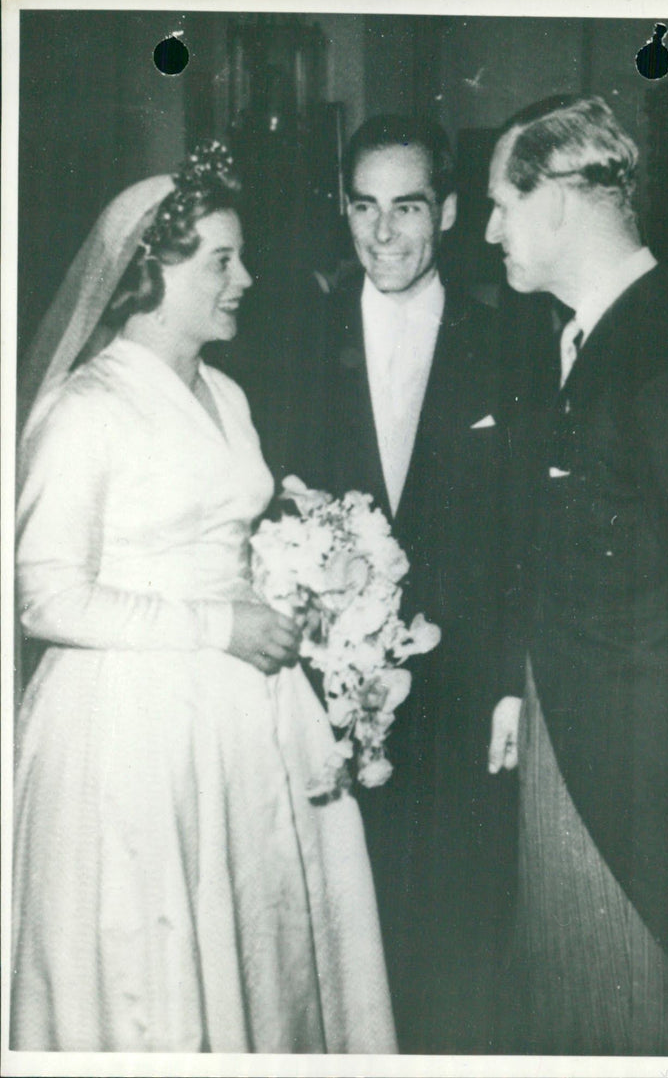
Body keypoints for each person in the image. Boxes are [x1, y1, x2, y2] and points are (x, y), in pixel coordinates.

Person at [11, 141, 396, 1054]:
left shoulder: (225, 391)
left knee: (263, 947)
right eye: (223, 260)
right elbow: (44, 597)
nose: (246, 279)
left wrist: (308, 597)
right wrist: (220, 624)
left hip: (241, 712)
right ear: (153, 271)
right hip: (130, 727)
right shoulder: (85, 409)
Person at [484, 96, 668, 1056]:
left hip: (644, 782)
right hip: (589, 753)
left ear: (559, 202)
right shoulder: (593, 332)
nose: (490, 231)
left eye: (501, 205)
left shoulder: (662, 342)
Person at [263, 114, 522, 1053]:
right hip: (335, 708)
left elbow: (523, 534)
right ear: (343, 209)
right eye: (363, 206)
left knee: (455, 956)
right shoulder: (296, 338)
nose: (382, 233)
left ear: (447, 212)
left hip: (463, 706)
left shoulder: (511, 339)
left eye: (405, 207)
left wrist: (508, 682)